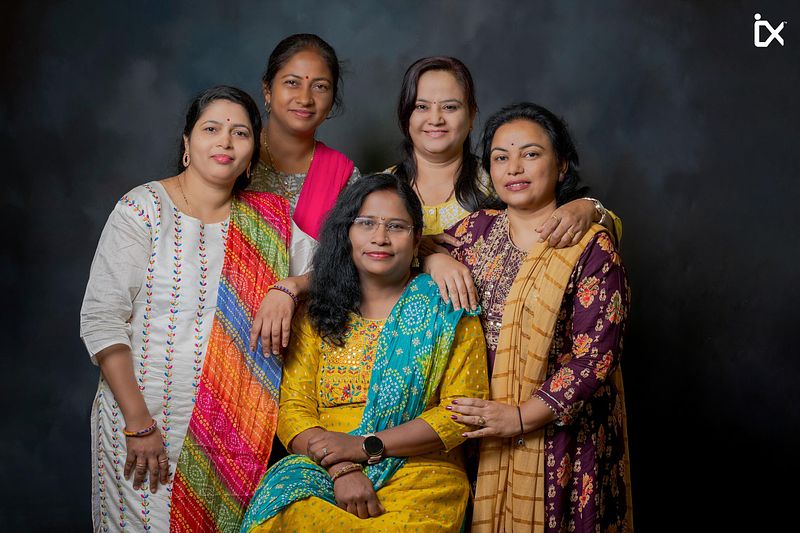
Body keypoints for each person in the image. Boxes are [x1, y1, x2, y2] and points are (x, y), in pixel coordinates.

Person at [80, 86, 295, 532]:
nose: (225, 142)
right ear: (187, 142)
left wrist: (289, 287)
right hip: (139, 421)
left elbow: (335, 265)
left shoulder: (268, 222)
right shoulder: (143, 209)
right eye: (211, 129)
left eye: (240, 133)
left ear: (252, 155)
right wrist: (138, 424)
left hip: (229, 433)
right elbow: (102, 320)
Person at [240, 174, 489, 532]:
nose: (380, 237)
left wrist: (363, 446)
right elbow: (294, 411)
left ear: (417, 239)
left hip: (421, 471)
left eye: (396, 226)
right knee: (286, 513)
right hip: (322, 467)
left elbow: (461, 414)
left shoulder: (447, 309)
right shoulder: (315, 313)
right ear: (346, 233)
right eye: (366, 223)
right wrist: (341, 466)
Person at [445, 103, 632, 532]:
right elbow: (410, 245)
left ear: (561, 164)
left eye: (530, 154)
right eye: (500, 157)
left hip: (559, 437)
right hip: (481, 426)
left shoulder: (591, 246)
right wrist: (437, 259)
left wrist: (519, 417)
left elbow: (595, 360)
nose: (514, 168)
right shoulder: (475, 230)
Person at [391, 57, 620, 312]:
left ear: (471, 115)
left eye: (450, 107)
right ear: (405, 113)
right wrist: (425, 258)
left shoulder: (501, 179)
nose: (435, 119)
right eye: (421, 106)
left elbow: (571, 231)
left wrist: (590, 207)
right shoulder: (382, 190)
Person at [247, 33, 360, 357]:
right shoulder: (235, 156)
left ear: (332, 99)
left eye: (320, 86)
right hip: (226, 325)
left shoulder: (344, 175)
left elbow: (353, 262)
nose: (306, 98)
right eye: (292, 83)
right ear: (267, 90)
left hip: (309, 341)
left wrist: (293, 286)